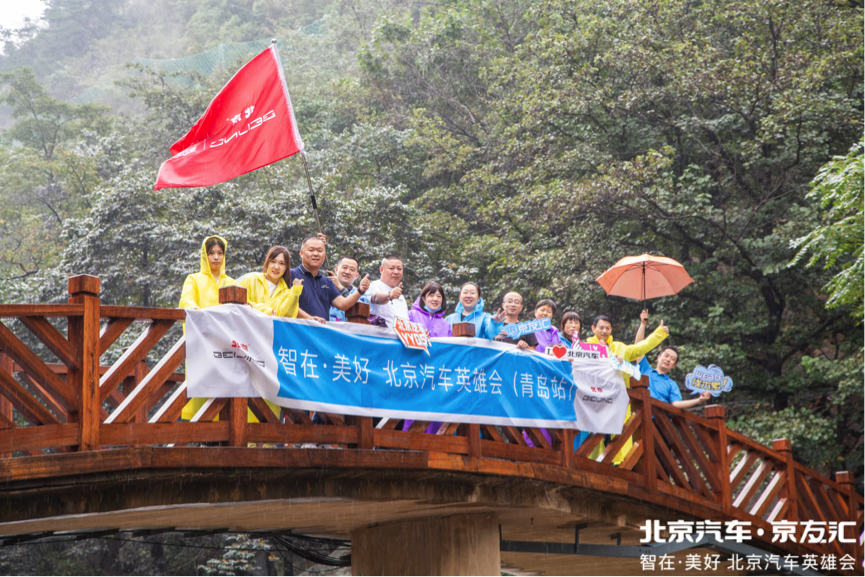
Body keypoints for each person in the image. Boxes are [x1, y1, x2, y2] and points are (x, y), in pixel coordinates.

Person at [179, 236, 259, 423]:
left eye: (220, 253)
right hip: (203, 342)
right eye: (211, 253)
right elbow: (186, 301)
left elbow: (246, 303)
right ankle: (201, 431)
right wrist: (195, 309)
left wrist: (262, 309)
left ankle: (225, 429)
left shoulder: (232, 282)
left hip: (226, 344)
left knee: (226, 384)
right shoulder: (194, 279)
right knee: (204, 382)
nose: (216, 257)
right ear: (204, 255)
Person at [584, 314, 670, 463]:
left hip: (618, 400)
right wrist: (608, 359)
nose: (604, 331)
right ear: (593, 329)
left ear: (611, 329)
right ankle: (592, 464)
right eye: (601, 327)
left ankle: (618, 465)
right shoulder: (584, 347)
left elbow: (640, 348)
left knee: (619, 434)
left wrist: (658, 333)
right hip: (595, 398)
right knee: (595, 436)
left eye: (607, 328)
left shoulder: (620, 348)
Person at [291, 235, 370, 323]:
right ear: (301, 253)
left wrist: (360, 291)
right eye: (311, 250)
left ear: (324, 255)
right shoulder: (291, 274)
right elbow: (287, 304)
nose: (316, 254)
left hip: (322, 332)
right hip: (297, 331)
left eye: (320, 250)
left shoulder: (327, 282)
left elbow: (343, 305)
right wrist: (309, 319)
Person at [239, 246, 304, 317]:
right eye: (273, 262)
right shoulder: (249, 280)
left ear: (286, 268)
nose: (276, 267)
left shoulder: (286, 293)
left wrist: (295, 291)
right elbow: (241, 305)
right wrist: (267, 311)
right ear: (267, 262)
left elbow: (287, 318)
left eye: (282, 263)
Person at [639, 346, 713, 409]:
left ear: (674, 365)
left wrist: (699, 400)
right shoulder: (645, 369)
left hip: (658, 420)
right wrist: (642, 327)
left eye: (672, 359)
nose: (668, 360)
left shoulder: (672, 384)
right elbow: (638, 347)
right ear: (658, 357)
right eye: (666, 356)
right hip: (638, 415)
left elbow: (677, 404)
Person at [367, 255, 410, 329]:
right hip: (380, 337)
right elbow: (376, 297)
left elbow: (405, 324)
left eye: (399, 269)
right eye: (391, 268)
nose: (396, 272)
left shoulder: (401, 297)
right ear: (381, 269)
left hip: (397, 339)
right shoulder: (374, 286)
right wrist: (389, 295)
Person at [327, 256, 369, 322]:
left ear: (356, 276)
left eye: (352, 269)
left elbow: (357, 309)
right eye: (344, 267)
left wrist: (340, 287)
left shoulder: (361, 296)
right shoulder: (324, 288)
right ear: (336, 270)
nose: (347, 272)